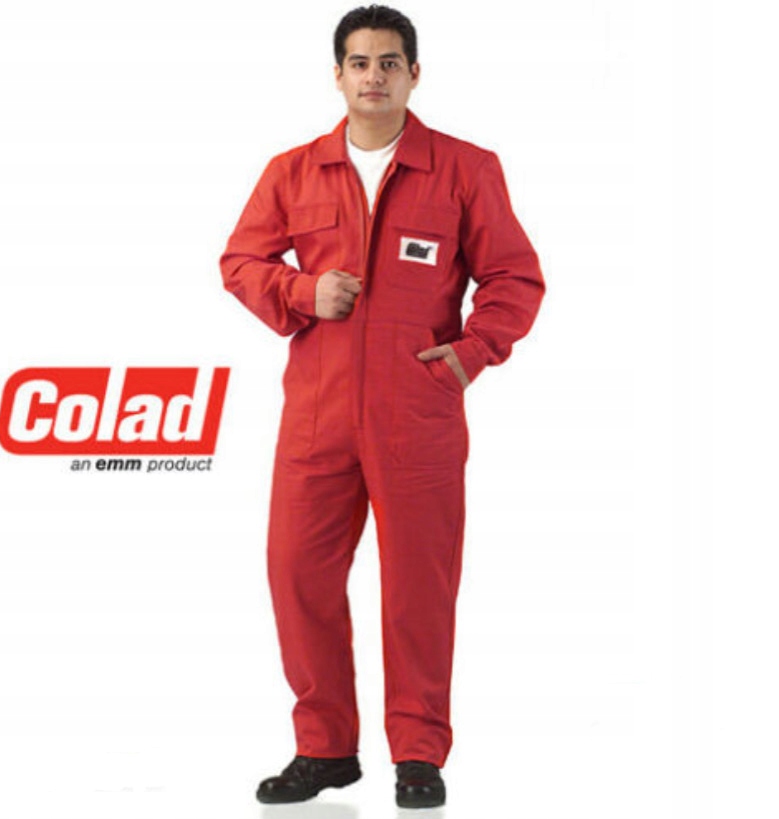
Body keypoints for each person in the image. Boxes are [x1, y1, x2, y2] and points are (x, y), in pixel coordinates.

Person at [219, 4, 545, 809]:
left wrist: (470, 354)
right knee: (297, 575)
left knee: (417, 590)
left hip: (418, 414)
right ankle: (325, 747)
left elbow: (514, 277)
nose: (374, 76)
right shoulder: (294, 170)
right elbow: (241, 260)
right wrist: (303, 291)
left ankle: (418, 753)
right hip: (317, 413)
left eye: (389, 62)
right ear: (337, 75)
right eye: (360, 62)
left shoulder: (465, 168)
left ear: (414, 74)